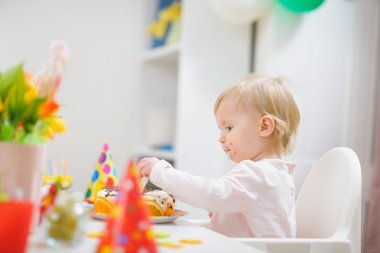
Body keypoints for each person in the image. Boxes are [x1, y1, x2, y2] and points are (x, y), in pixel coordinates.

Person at [138, 74, 301, 238]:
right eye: (221, 130)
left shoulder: (258, 174)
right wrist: (224, 212)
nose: (221, 138)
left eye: (229, 128)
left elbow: (209, 193)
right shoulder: (276, 174)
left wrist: (160, 172)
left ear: (264, 127)